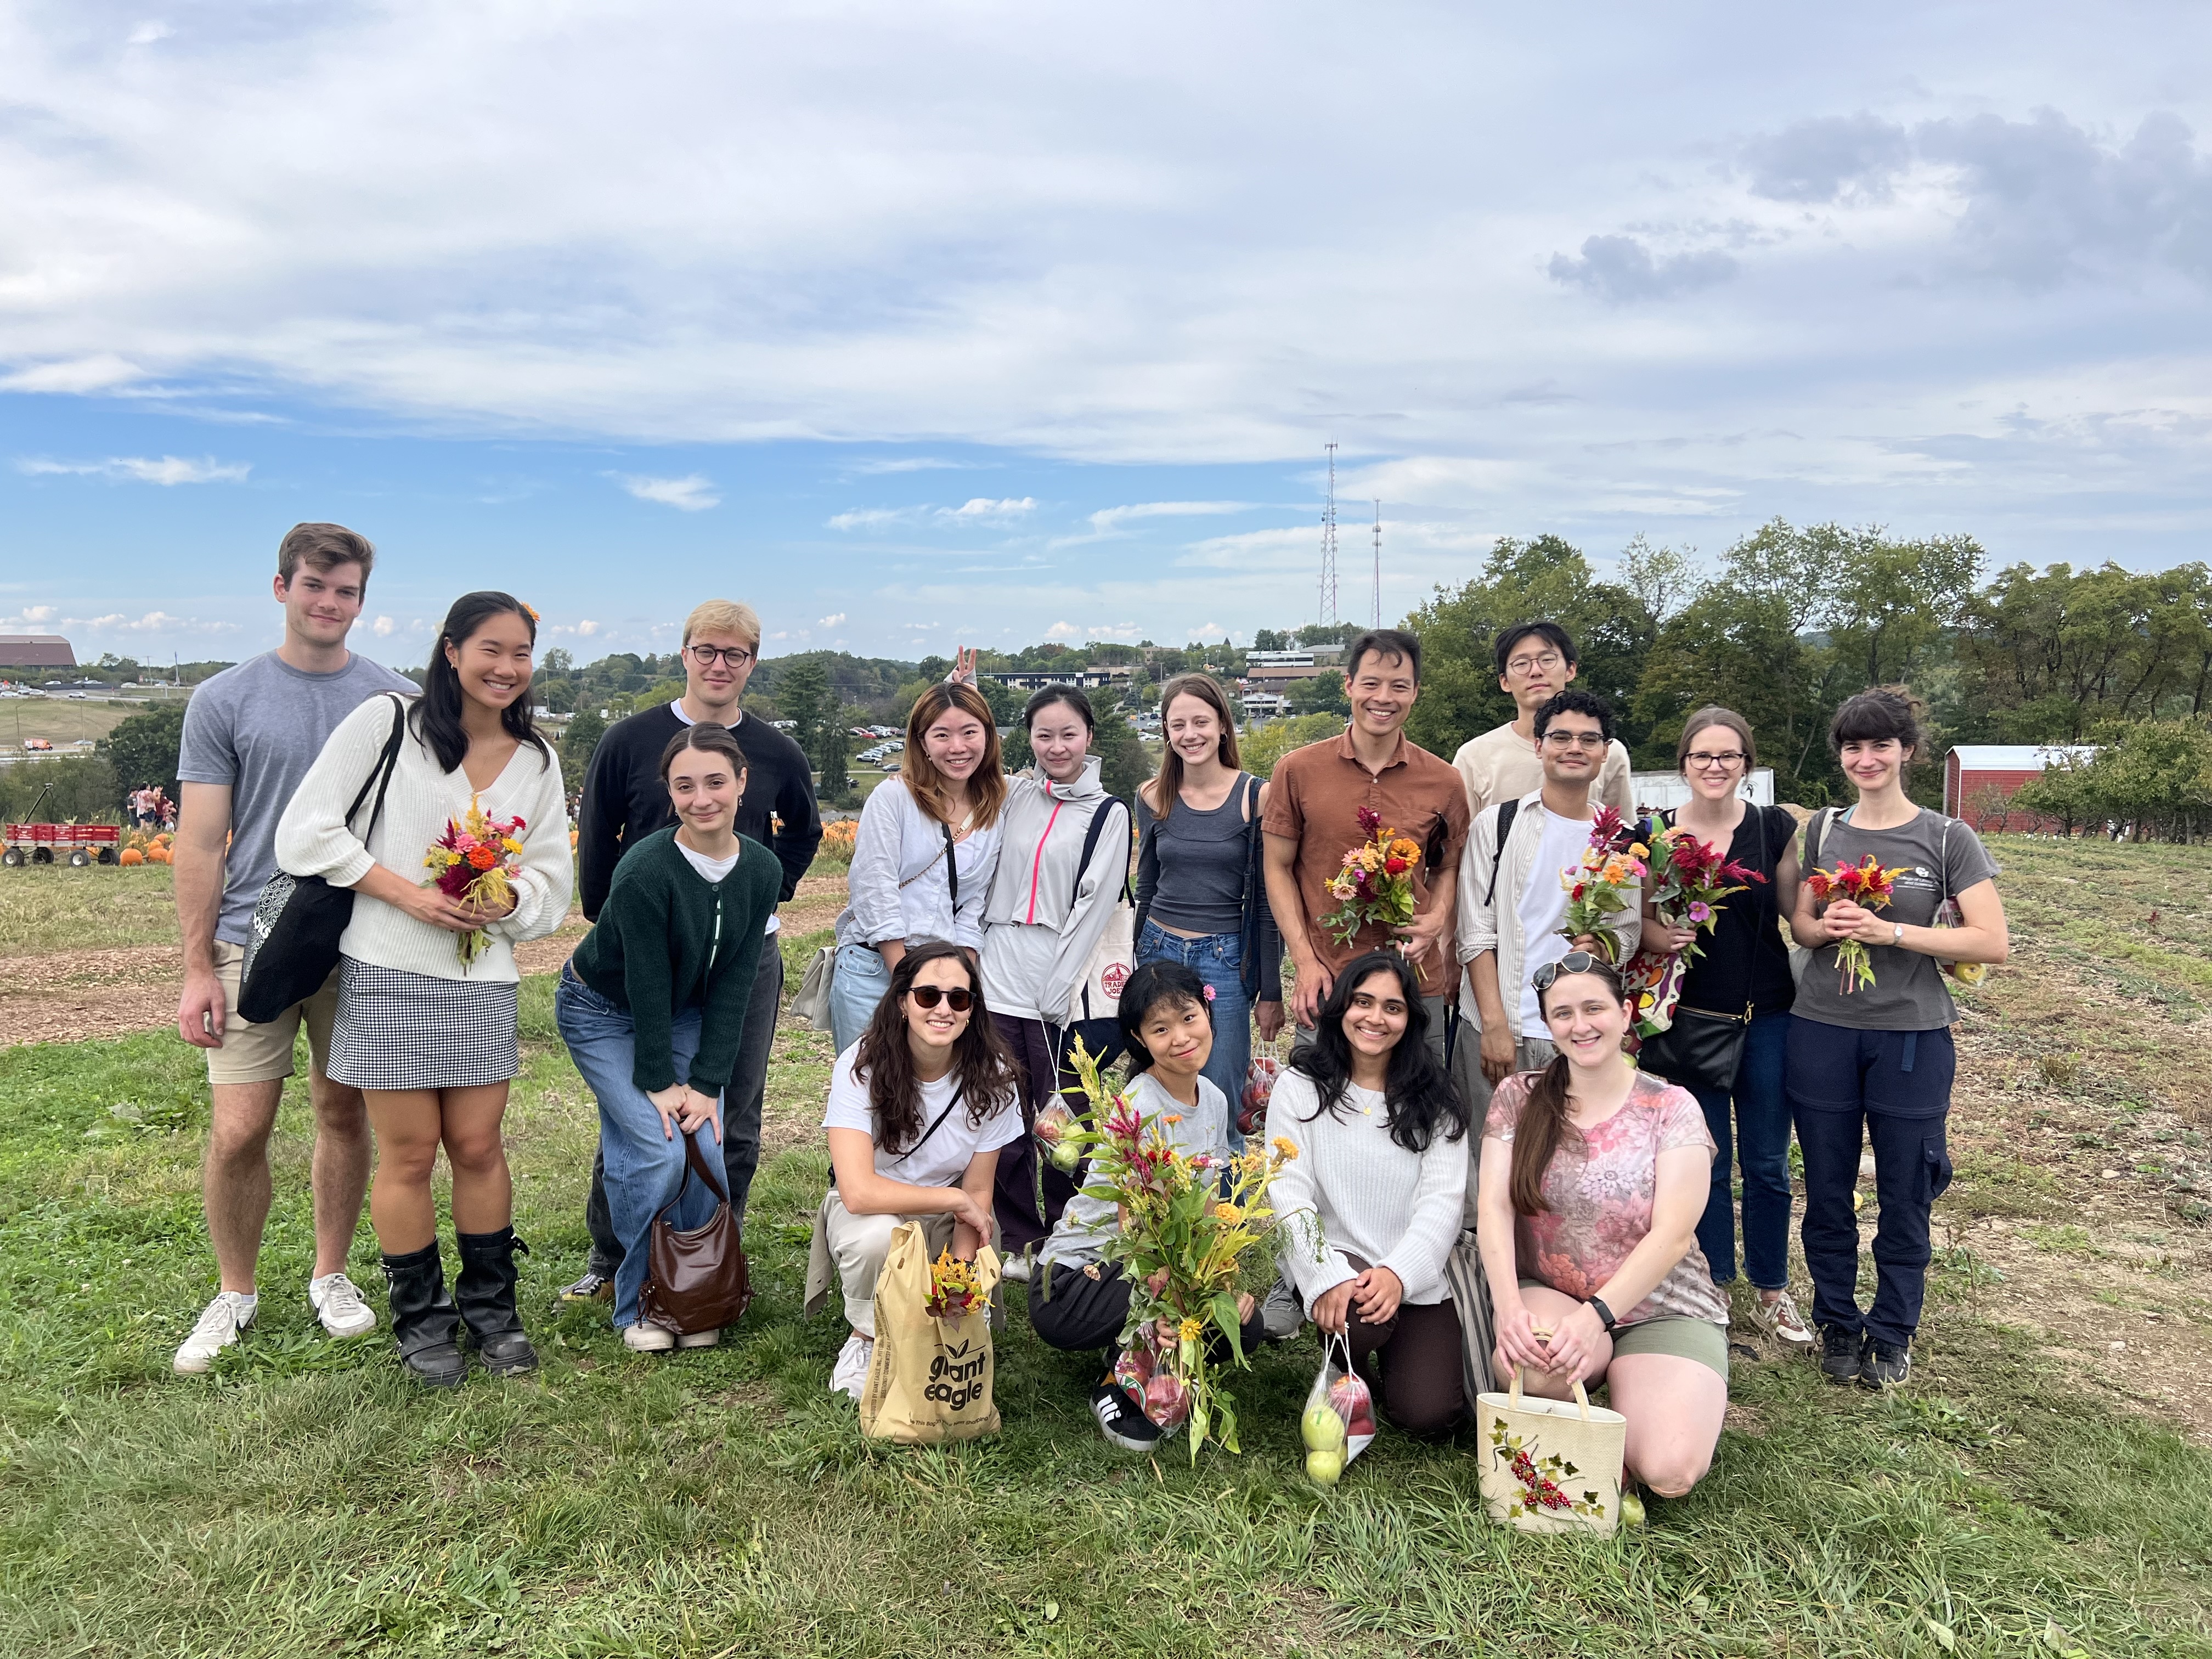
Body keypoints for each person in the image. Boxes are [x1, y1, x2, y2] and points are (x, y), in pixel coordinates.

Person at [275, 591, 573, 1386]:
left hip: (483, 979)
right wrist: (404, 893)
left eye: (521, 654)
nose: (507, 668)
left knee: (478, 1146)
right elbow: (305, 831)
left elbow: (553, 878)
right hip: (388, 969)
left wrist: (510, 902)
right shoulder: (388, 725)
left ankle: (493, 1313)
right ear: (451, 650)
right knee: (408, 1154)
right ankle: (421, 1317)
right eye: (491, 650)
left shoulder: (538, 760)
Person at [170, 522, 417, 1375]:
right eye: (315, 586)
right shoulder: (225, 700)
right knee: (240, 1129)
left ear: (361, 601)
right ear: (282, 589)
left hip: (361, 940)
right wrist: (200, 967)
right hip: (254, 937)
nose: (330, 604)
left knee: (343, 1112)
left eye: (346, 591)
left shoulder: (398, 701)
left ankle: (332, 1274)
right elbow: (201, 843)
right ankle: (235, 1289)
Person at [561, 600, 821, 1305]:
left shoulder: (775, 751)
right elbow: (598, 830)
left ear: (752, 663)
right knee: (643, 1108)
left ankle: (708, 1254)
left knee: (731, 1105)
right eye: (707, 650)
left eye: (735, 654)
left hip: (742, 952)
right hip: (647, 944)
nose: (719, 665)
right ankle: (612, 1251)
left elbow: (803, 830)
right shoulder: (631, 738)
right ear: (685, 654)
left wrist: (768, 894)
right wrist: (604, 913)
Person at [1787, 688, 2008, 1390]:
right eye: (1854, 746)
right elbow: (1803, 926)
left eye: (1881, 744)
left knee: (1906, 1190)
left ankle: (1892, 1331)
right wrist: (1830, 928)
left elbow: (1991, 940)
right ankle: (1838, 1324)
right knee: (1826, 1188)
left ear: (1907, 751)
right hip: (1821, 1028)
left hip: (1911, 1037)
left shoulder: (1946, 838)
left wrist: (1892, 932)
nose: (1867, 758)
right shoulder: (1821, 831)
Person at [556, 724, 781, 1352]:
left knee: (705, 1142)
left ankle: (690, 1297)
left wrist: (706, 1086)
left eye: (715, 781)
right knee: (657, 1147)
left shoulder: (761, 869)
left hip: (684, 1014)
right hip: (601, 1011)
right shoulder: (645, 868)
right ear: (669, 793)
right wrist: (659, 1082)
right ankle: (639, 1306)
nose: (701, 797)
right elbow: (646, 982)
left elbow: (735, 981)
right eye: (684, 786)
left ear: (742, 783)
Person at [1477, 954, 1729, 1499]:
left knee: (1669, 1472)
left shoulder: (1671, 1107)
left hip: (1661, 1304)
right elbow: (1493, 1209)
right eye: (1562, 1013)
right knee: (1536, 1367)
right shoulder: (1518, 1099)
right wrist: (1508, 1310)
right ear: (1548, 1026)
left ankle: (1635, 1395)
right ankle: (1603, 1393)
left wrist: (1598, 1319)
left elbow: (1674, 1236)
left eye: (1594, 1008)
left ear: (1626, 1012)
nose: (1581, 1025)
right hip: (1554, 1293)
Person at [1030, 961, 1267, 1450]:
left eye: (1188, 1018)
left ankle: (1139, 1349)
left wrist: (1222, 1282)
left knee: (1243, 1328)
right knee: (1191, 1313)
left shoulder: (1217, 1101)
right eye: (1160, 1029)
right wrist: (1172, 1300)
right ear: (1139, 1040)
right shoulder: (1138, 1106)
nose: (1180, 1037)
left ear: (1208, 1010)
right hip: (1079, 1277)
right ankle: (1117, 1383)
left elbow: (1201, 1211)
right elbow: (1134, 1226)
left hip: (1150, 1265)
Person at [1637, 707, 1810, 1345]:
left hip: (1767, 1017)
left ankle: (1771, 1288)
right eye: (1703, 756)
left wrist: (1859, 910)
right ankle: (1708, 1283)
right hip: (1687, 1022)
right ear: (1683, 764)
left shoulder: (1773, 828)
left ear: (1746, 764)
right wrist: (1663, 932)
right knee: (1701, 1165)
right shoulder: (1653, 833)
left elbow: (1798, 913)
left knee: (1767, 1162)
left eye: (1729, 756)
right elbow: (1636, 925)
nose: (1715, 767)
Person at [1267, 950, 1471, 1435]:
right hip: (1340, 1261)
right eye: (1363, 1002)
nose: (1375, 1018)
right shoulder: (1300, 1088)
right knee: (1359, 1320)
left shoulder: (1436, 1101)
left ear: (1410, 1019)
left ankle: (1384, 1367)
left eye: (1392, 1007)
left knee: (1431, 1415)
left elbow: (1442, 1204)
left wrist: (1399, 1275)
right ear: (1341, 1008)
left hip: (1412, 1273)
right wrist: (1326, 1275)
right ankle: (1345, 1357)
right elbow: (1288, 1194)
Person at [809, 941, 1024, 1400]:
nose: (943, 1009)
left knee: (956, 1302)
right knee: (875, 1240)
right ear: (903, 1002)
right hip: (876, 1209)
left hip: (952, 1218)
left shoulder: (995, 1075)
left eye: (958, 998)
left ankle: (947, 1314)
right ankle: (866, 1337)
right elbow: (858, 1193)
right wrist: (952, 1199)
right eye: (929, 996)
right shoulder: (860, 1066)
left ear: (972, 1011)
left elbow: (979, 1191)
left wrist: (959, 1282)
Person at [1449, 622, 1634, 1115]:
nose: (1574, 748)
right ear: (1540, 745)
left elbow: (1628, 927)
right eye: (1561, 738)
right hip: (1505, 1016)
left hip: (1580, 1028)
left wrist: (1605, 946)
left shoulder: (1616, 839)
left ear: (1604, 752)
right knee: (1493, 1159)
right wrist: (1494, 1023)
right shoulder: (1499, 820)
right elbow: (1476, 928)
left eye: (1589, 740)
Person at [1262, 628, 1469, 1063]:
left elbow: (1447, 867)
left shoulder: (1444, 781)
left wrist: (1436, 919)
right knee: (1317, 1111)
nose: (1384, 697)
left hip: (1415, 979)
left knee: (1418, 1108)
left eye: (1399, 686)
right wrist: (1304, 961)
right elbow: (1277, 868)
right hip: (1329, 976)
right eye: (1371, 683)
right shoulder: (1298, 771)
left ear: (1415, 693)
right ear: (1350, 686)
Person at [980, 684, 1135, 1258]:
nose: (1057, 746)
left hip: (1062, 985)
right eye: (1044, 735)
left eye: (1069, 733)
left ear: (1090, 736)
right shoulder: (1017, 796)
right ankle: (1020, 1235)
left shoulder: (1107, 814)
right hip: (1000, 973)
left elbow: (1095, 906)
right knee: (1002, 1113)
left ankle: (1072, 1233)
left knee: (1065, 1119)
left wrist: (1059, 986)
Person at [1133, 672, 1284, 1145]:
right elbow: (1148, 883)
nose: (1190, 734)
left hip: (1223, 961)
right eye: (1178, 725)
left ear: (1223, 725)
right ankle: (1156, 1210)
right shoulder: (1152, 795)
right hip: (1159, 949)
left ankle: (1223, 1215)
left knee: (1220, 1101)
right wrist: (1138, 961)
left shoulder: (1254, 797)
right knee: (1158, 1097)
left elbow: (1265, 901)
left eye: (1201, 721)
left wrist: (1270, 989)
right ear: (1166, 732)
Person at [828, 679, 1007, 1054]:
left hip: (941, 981)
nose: (957, 747)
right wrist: (908, 985)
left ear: (989, 737)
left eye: (970, 732)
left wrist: (960, 985)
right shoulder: (894, 798)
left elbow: (973, 906)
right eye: (942, 734)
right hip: (876, 969)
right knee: (872, 1093)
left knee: (932, 1097)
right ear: (922, 743)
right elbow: (875, 890)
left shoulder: (992, 810)